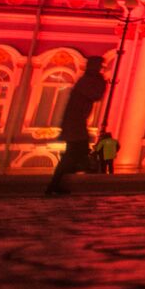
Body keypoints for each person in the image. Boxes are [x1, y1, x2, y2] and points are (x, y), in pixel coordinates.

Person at [45, 57, 107, 196]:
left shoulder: (87, 79)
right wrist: (102, 82)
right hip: (75, 123)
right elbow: (96, 95)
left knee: (73, 154)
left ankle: (57, 183)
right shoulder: (87, 81)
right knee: (74, 154)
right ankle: (56, 183)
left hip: (76, 122)